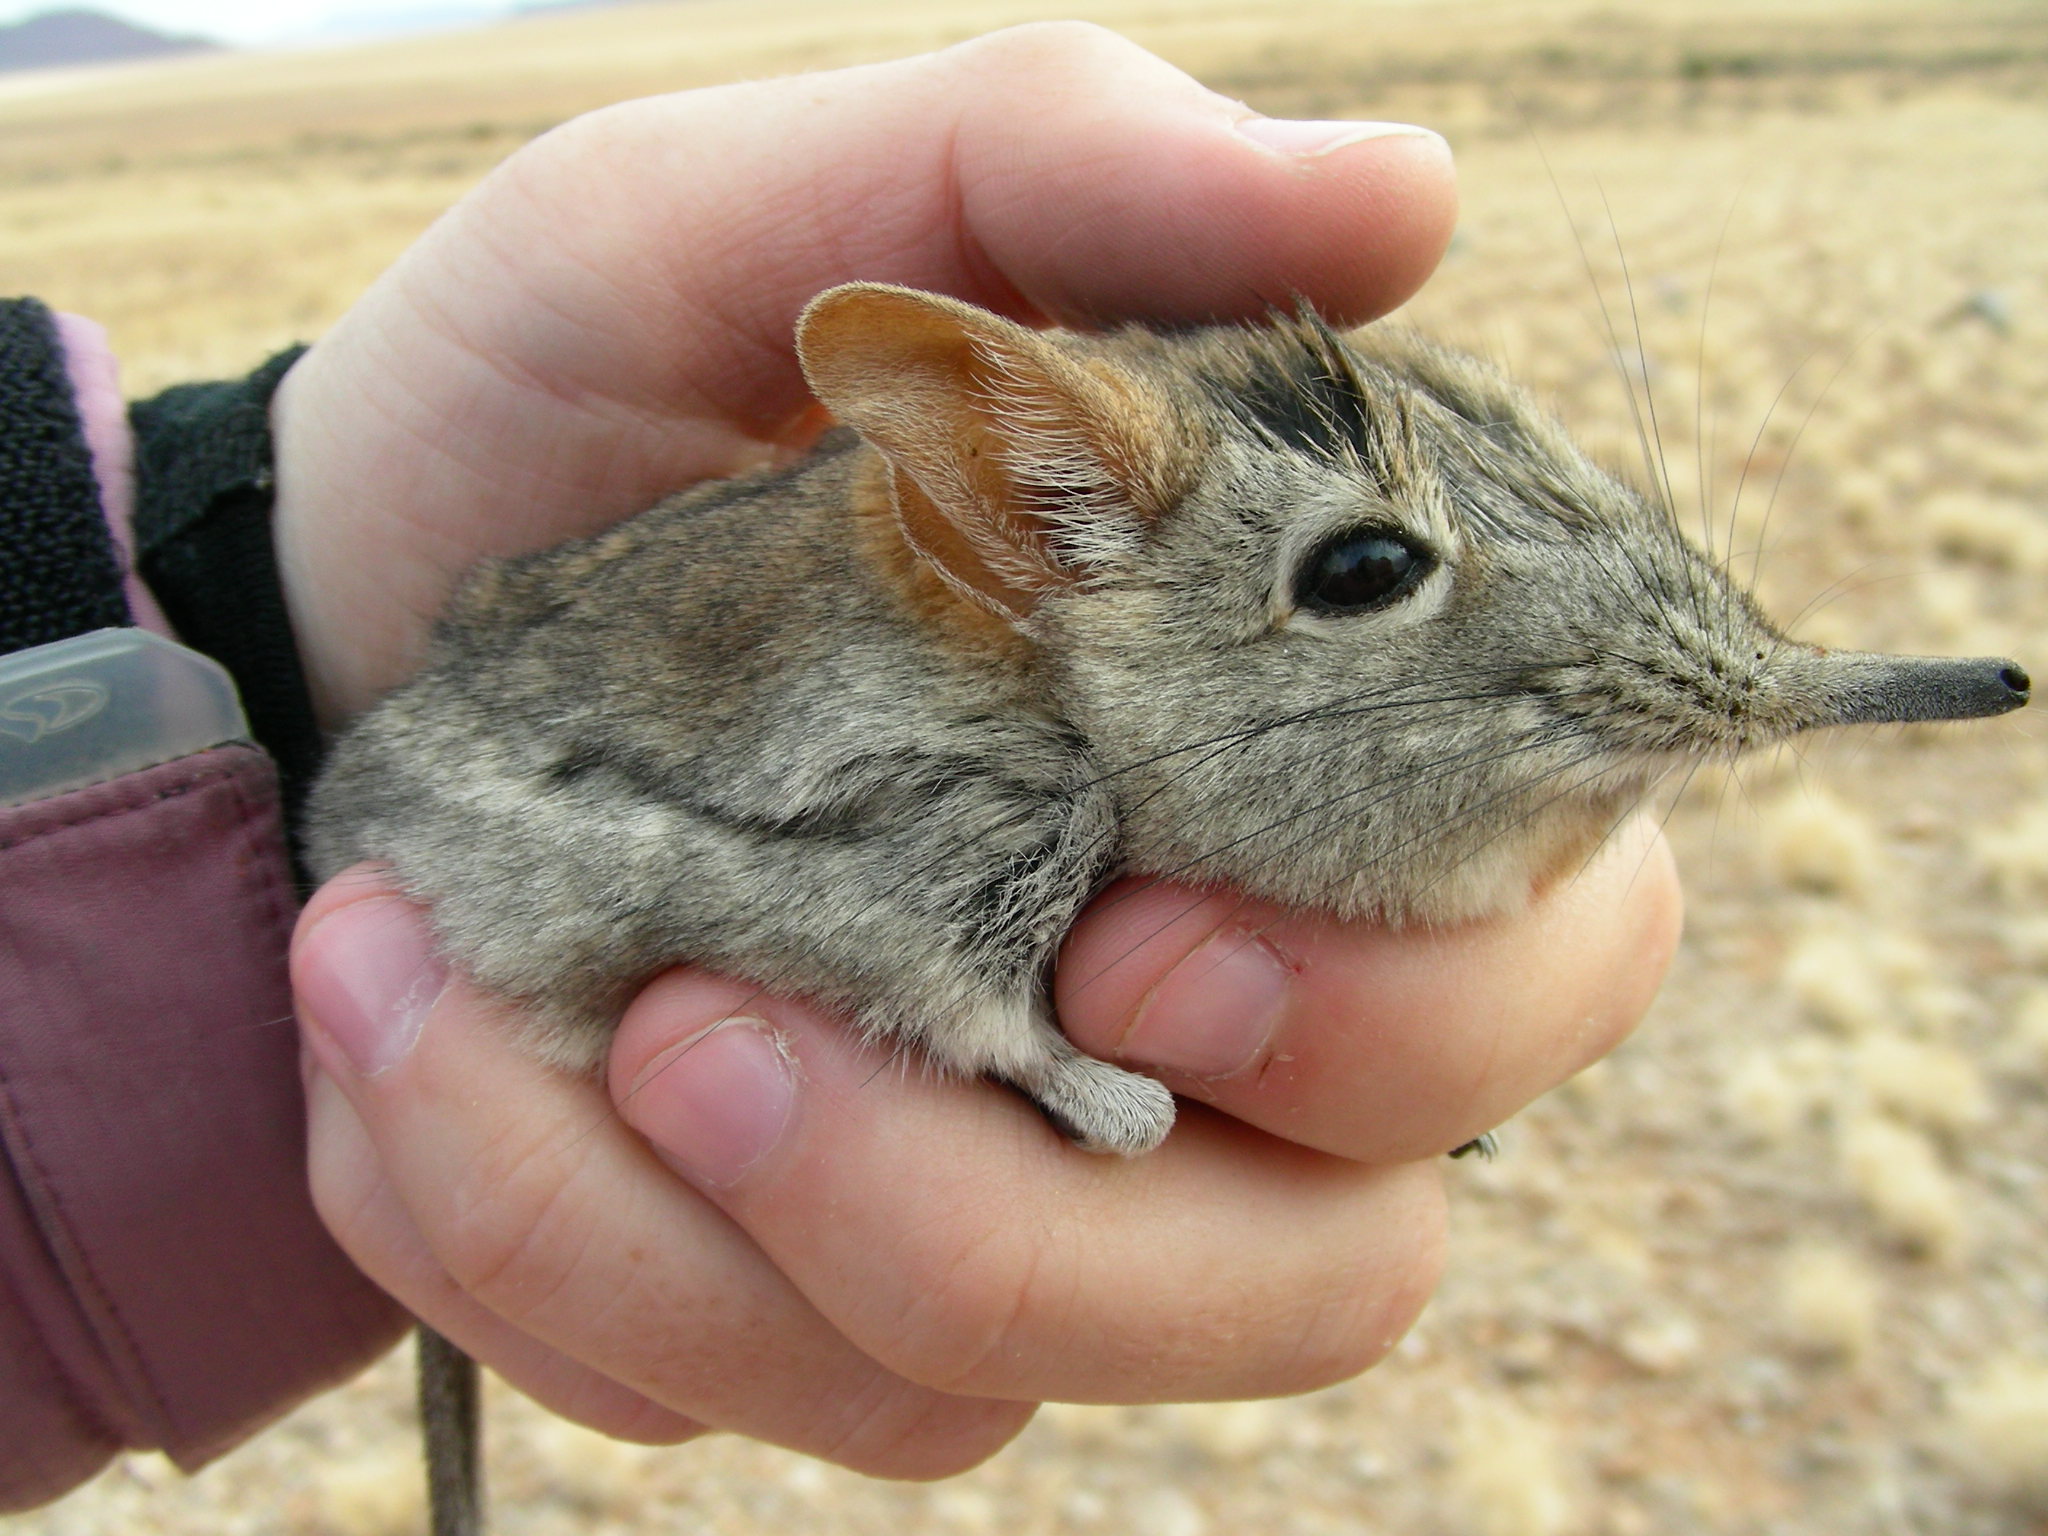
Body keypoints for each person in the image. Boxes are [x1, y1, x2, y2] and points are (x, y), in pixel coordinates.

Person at [0, 23, 1681, 1508]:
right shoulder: (1011, 698)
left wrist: (239, 604)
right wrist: (1041, 1057)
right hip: (496, 819)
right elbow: (866, 911)